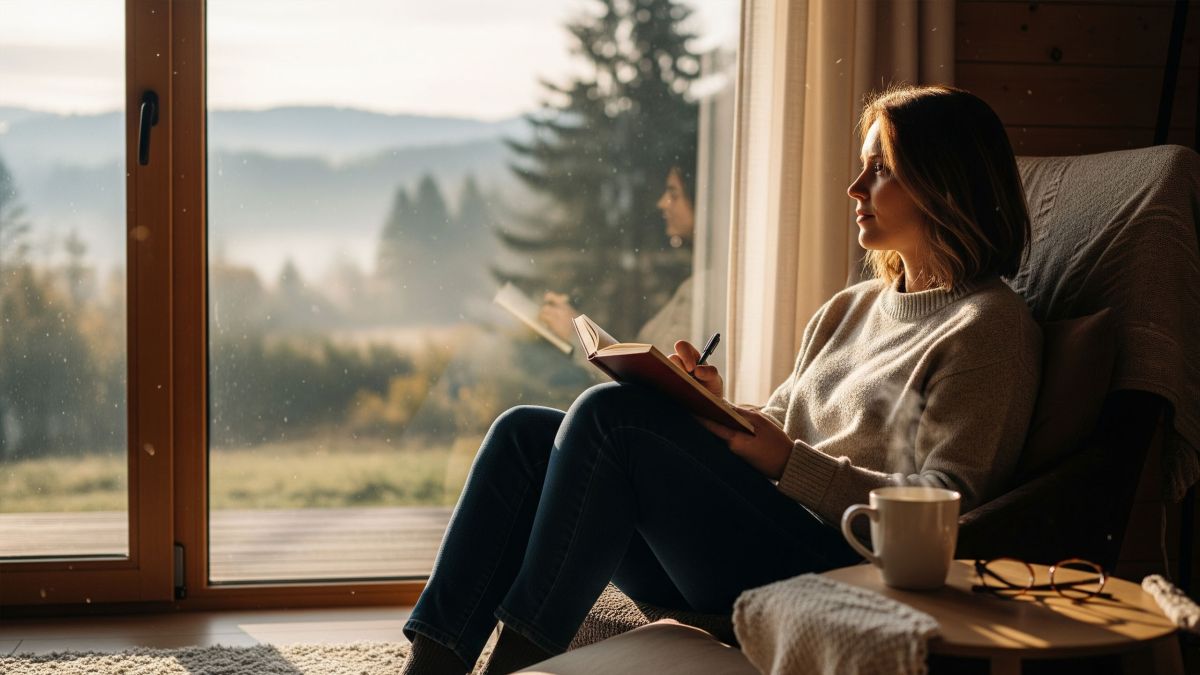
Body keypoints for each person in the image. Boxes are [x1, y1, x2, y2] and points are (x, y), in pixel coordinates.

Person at [400, 84, 1041, 675]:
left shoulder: (989, 326)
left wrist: (788, 462)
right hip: (752, 540)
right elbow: (785, 427)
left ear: (944, 184)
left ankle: (516, 666)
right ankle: (429, 668)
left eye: (880, 169)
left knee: (608, 418)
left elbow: (948, 506)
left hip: (845, 570)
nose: (855, 186)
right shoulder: (850, 308)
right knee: (524, 435)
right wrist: (711, 410)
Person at [537, 162, 697, 356]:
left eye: (674, 194)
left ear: (700, 199)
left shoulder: (704, 291)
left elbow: (652, 379)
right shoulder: (697, 286)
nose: (662, 203)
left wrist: (579, 337)